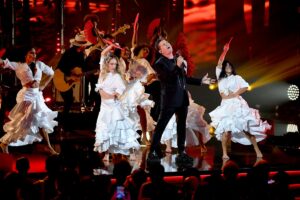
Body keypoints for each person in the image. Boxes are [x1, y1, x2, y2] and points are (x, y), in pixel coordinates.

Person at [147, 38, 214, 164]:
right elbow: (168, 78)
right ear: (160, 51)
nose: (167, 45)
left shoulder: (178, 59)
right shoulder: (160, 63)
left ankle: (181, 152)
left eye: (167, 43)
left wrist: (200, 81)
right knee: (161, 125)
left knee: (181, 125)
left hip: (182, 98)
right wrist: (177, 66)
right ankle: (153, 151)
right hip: (170, 99)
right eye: (164, 45)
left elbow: (184, 78)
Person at [209, 39, 271, 160]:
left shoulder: (236, 77)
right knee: (225, 131)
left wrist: (235, 93)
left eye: (229, 65)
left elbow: (245, 86)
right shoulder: (220, 78)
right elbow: (219, 62)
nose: (228, 67)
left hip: (237, 105)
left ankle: (256, 149)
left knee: (245, 129)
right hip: (226, 106)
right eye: (226, 66)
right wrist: (224, 51)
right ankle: (224, 153)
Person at [0, 47, 58, 154]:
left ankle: (49, 148)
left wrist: (44, 84)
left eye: (35, 53)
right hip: (26, 96)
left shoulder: (40, 64)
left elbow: (51, 73)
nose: (34, 55)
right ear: (25, 55)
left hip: (37, 96)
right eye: (31, 53)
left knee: (41, 122)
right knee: (22, 122)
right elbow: (4, 63)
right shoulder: (19, 66)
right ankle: (5, 142)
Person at [94, 54, 140, 158]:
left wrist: (113, 94)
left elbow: (120, 91)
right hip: (104, 106)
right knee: (105, 128)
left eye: (115, 64)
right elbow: (101, 92)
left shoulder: (117, 76)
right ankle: (106, 153)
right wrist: (110, 46)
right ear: (107, 64)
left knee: (120, 128)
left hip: (114, 105)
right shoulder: (103, 75)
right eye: (111, 64)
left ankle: (130, 151)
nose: (113, 66)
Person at [55, 33, 91, 131]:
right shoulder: (69, 53)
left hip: (68, 81)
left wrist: (91, 71)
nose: (85, 47)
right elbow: (62, 67)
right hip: (61, 79)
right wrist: (72, 74)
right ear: (81, 46)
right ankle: (63, 124)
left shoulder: (81, 55)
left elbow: (82, 68)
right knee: (69, 100)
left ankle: (64, 124)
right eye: (84, 45)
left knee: (69, 101)